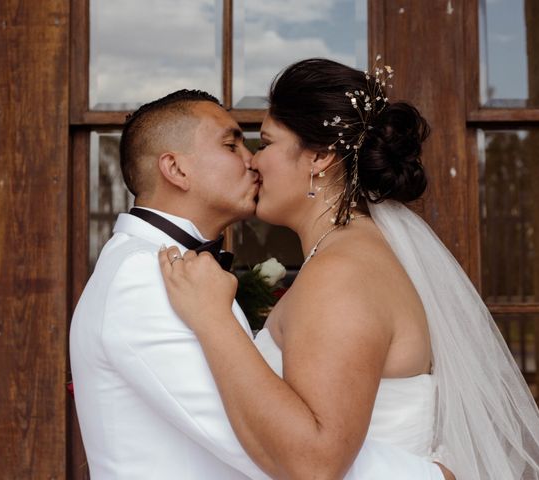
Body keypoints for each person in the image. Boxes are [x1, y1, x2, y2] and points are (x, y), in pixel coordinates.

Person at [159, 59, 539, 480]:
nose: (253, 162)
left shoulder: (341, 273)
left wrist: (214, 320)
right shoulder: (354, 253)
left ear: (321, 156)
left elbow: (315, 463)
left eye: (267, 143)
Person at [69, 89, 449, 479]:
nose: (252, 161)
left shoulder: (174, 271)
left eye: (259, 144)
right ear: (177, 170)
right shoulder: (145, 278)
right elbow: (276, 446)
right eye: (232, 145)